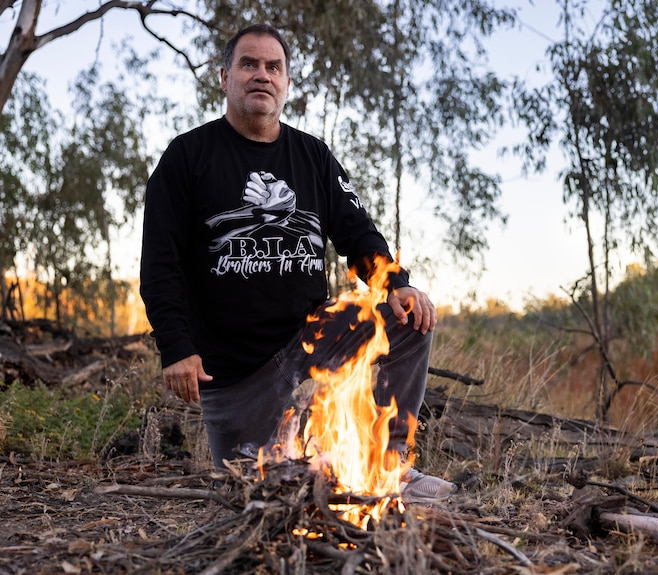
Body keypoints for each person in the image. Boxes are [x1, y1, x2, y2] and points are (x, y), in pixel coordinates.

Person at [139, 23, 455, 502]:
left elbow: (358, 233)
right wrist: (176, 347)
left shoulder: (312, 156)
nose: (261, 75)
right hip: (236, 371)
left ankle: (389, 468)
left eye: (273, 67)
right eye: (248, 64)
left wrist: (396, 284)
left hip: (310, 340)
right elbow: (160, 264)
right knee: (262, 491)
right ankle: (317, 463)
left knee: (410, 319)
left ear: (286, 83)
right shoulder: (187, 157)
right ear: (224, 78)